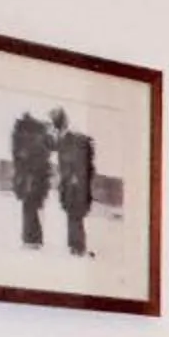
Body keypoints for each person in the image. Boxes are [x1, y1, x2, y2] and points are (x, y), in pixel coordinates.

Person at [51, 109, 97, 257]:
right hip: (69, 184)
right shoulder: (63, 140)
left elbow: (77, 163)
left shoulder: (72, 141)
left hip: (75, 185)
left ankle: (78, 247)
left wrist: (74, 178)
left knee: (75, 214)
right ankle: (74, 246)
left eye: (56, 126)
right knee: (72, 215)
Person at [8, 109, 50, 248]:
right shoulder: (34, 141)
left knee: (29, 207)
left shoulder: (28, 141)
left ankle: (31, 239)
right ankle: (32, 239)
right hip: (33, 179)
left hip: (31, 179)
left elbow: (21, 158)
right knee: (30, 207)